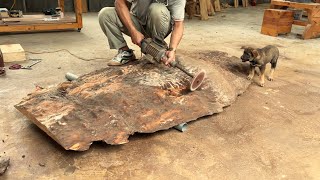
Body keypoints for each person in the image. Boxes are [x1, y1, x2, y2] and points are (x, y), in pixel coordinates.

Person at [98, 0, 186, 66]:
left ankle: (157, 46)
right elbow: (119, 2)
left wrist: (172, 49)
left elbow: (178, 24)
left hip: (159, 26)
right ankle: (125, 52)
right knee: (105, 14)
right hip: (137, 22)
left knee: (157, 9)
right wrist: (133, 31)